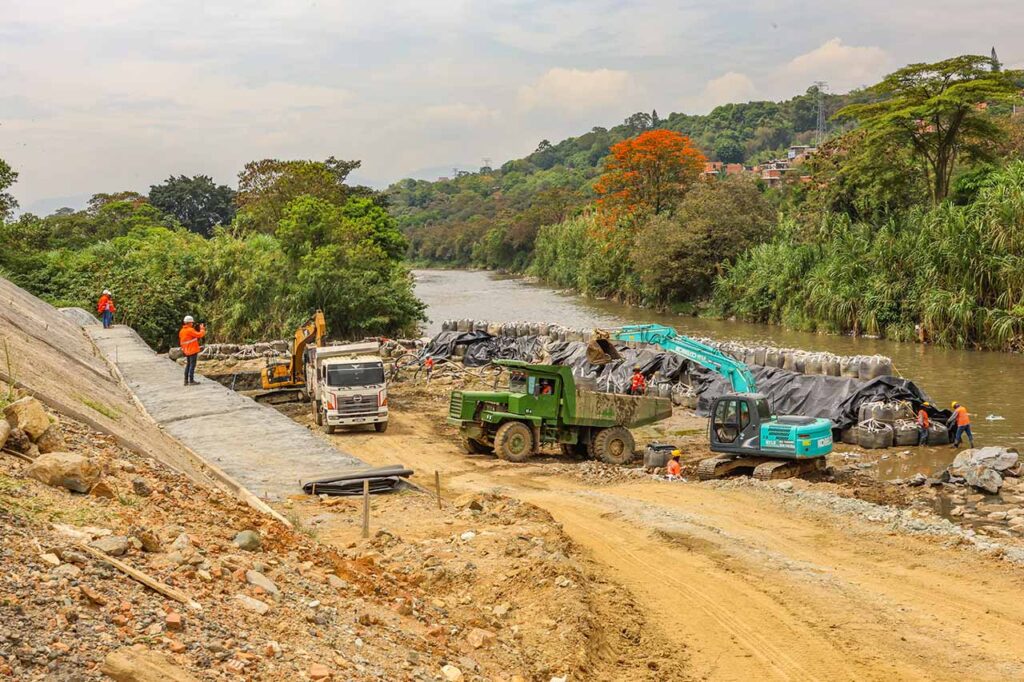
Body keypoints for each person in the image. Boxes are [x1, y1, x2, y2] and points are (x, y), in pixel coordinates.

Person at [178, 315, 206, 386]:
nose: (193, 324)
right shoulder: (190, 330)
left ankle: (186, 381)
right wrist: (202, 329)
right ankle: (191, 380)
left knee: (188, 365)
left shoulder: (182, 331)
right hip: (192, 350)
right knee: (192, 365)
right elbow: (200, 335)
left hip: (186, 350)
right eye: (192, 322)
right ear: (189, 323)